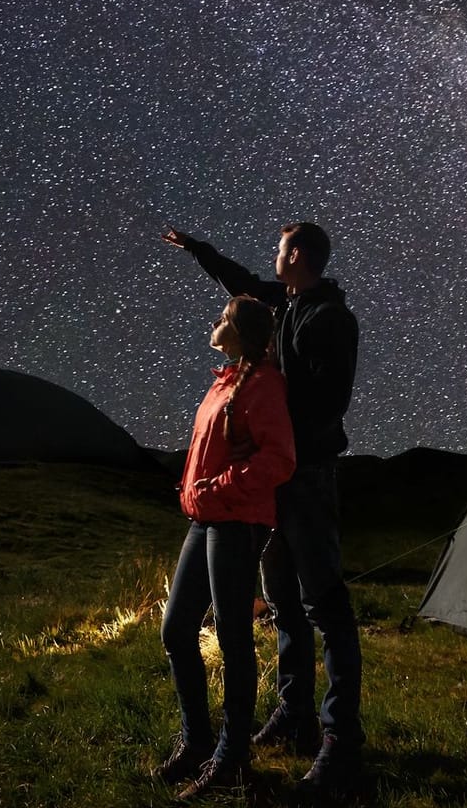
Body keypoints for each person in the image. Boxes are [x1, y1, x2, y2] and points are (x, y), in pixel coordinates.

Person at [164, 222, 364, 799]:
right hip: (277, 479)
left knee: (323, 601)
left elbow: (331, 402)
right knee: (281, 599)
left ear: (297, 255)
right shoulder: (284, 302)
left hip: (306, 474)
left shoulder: (331, 319)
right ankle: (294, 713)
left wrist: (268, 419)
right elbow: (242, 284)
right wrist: (200, 249)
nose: (272, 260)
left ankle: (339, 742)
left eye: (279, 250)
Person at [157, 295, 296, 800]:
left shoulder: (263, 385)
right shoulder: (227, 380)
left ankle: (232, 757)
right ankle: (198, 742)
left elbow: (278, 459)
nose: (213, 321)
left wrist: (215, 489)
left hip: (236, 521)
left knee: (234, 637)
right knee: (177, 628)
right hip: (207, 518)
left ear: (240, 331)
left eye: (223, 317)